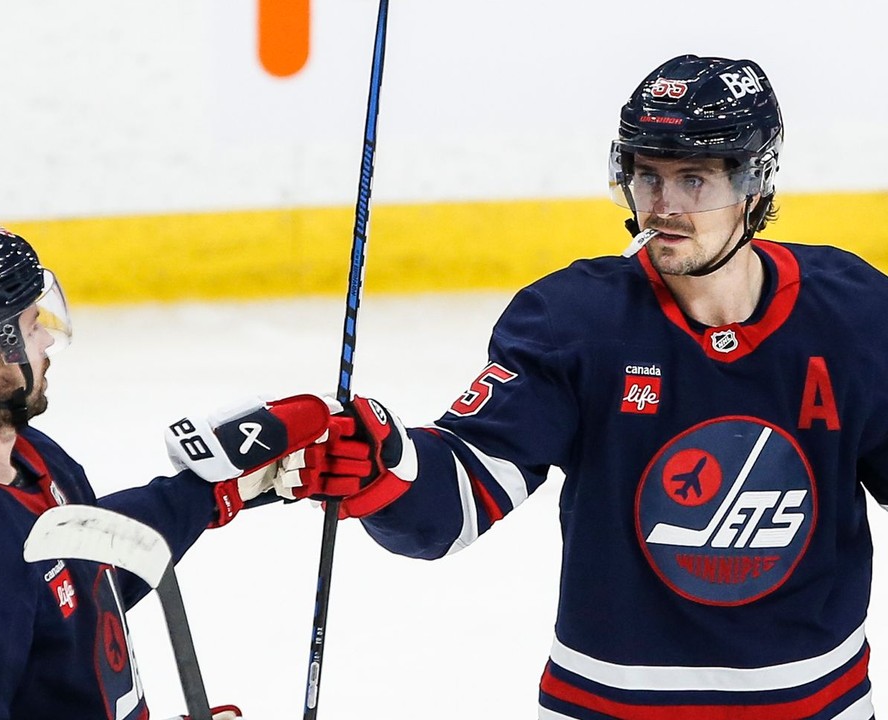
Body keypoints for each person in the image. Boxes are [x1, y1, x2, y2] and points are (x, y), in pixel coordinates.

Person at [270, 55, 885, 719]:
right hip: (609, 706)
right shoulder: (576, 322)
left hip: (816, 704)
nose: (664, 205)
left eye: (694, 179)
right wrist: (384, 466)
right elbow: (456, 502)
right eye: (648, 174)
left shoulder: (853, 315)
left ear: (757, 185)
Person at [0, 217, 331, 720]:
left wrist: (208, 493)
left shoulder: (29, 455)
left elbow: (72, 583)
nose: (47, 342)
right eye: (32, 327)